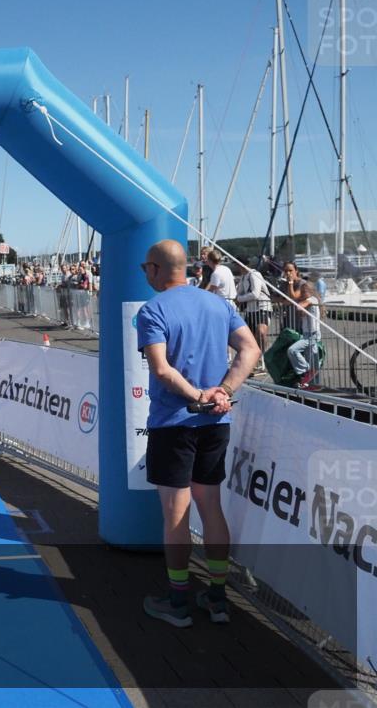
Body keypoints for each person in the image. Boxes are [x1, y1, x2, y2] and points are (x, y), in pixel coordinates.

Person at [136, 240, 259, 628]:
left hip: (176, 423)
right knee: (211, 507)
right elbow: (251, 350)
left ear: (156, 269)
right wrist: (223, 392)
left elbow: (161, 370)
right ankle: (218, 599)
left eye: (145, 268)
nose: (144, 273)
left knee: (176, 514)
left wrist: (199, 397)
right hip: (215, 424)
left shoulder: (153, 309)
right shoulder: (218, 304)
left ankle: (178, 602)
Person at [235, 259, 272, 372]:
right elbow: (239, 291)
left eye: (237, 265)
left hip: (262, 307)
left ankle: (261, 357)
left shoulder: (255, 274)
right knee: (249, 337)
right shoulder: (243, 277)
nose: (237, 268)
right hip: (250, 310)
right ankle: (255, 359)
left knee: (260, 332)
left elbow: (255, 293)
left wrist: (239, 299)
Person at [287, 281, 322, 389]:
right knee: (312, 359)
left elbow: (298, 307)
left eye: (304, 291)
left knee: (292, 350)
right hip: (307, 334)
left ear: (310, 291)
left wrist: (296, 301)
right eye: (302, 292)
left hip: (313, 334)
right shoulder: (307, 302)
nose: (302, 294)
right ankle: (313, 383)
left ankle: (307, 371)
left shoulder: (312, 299)